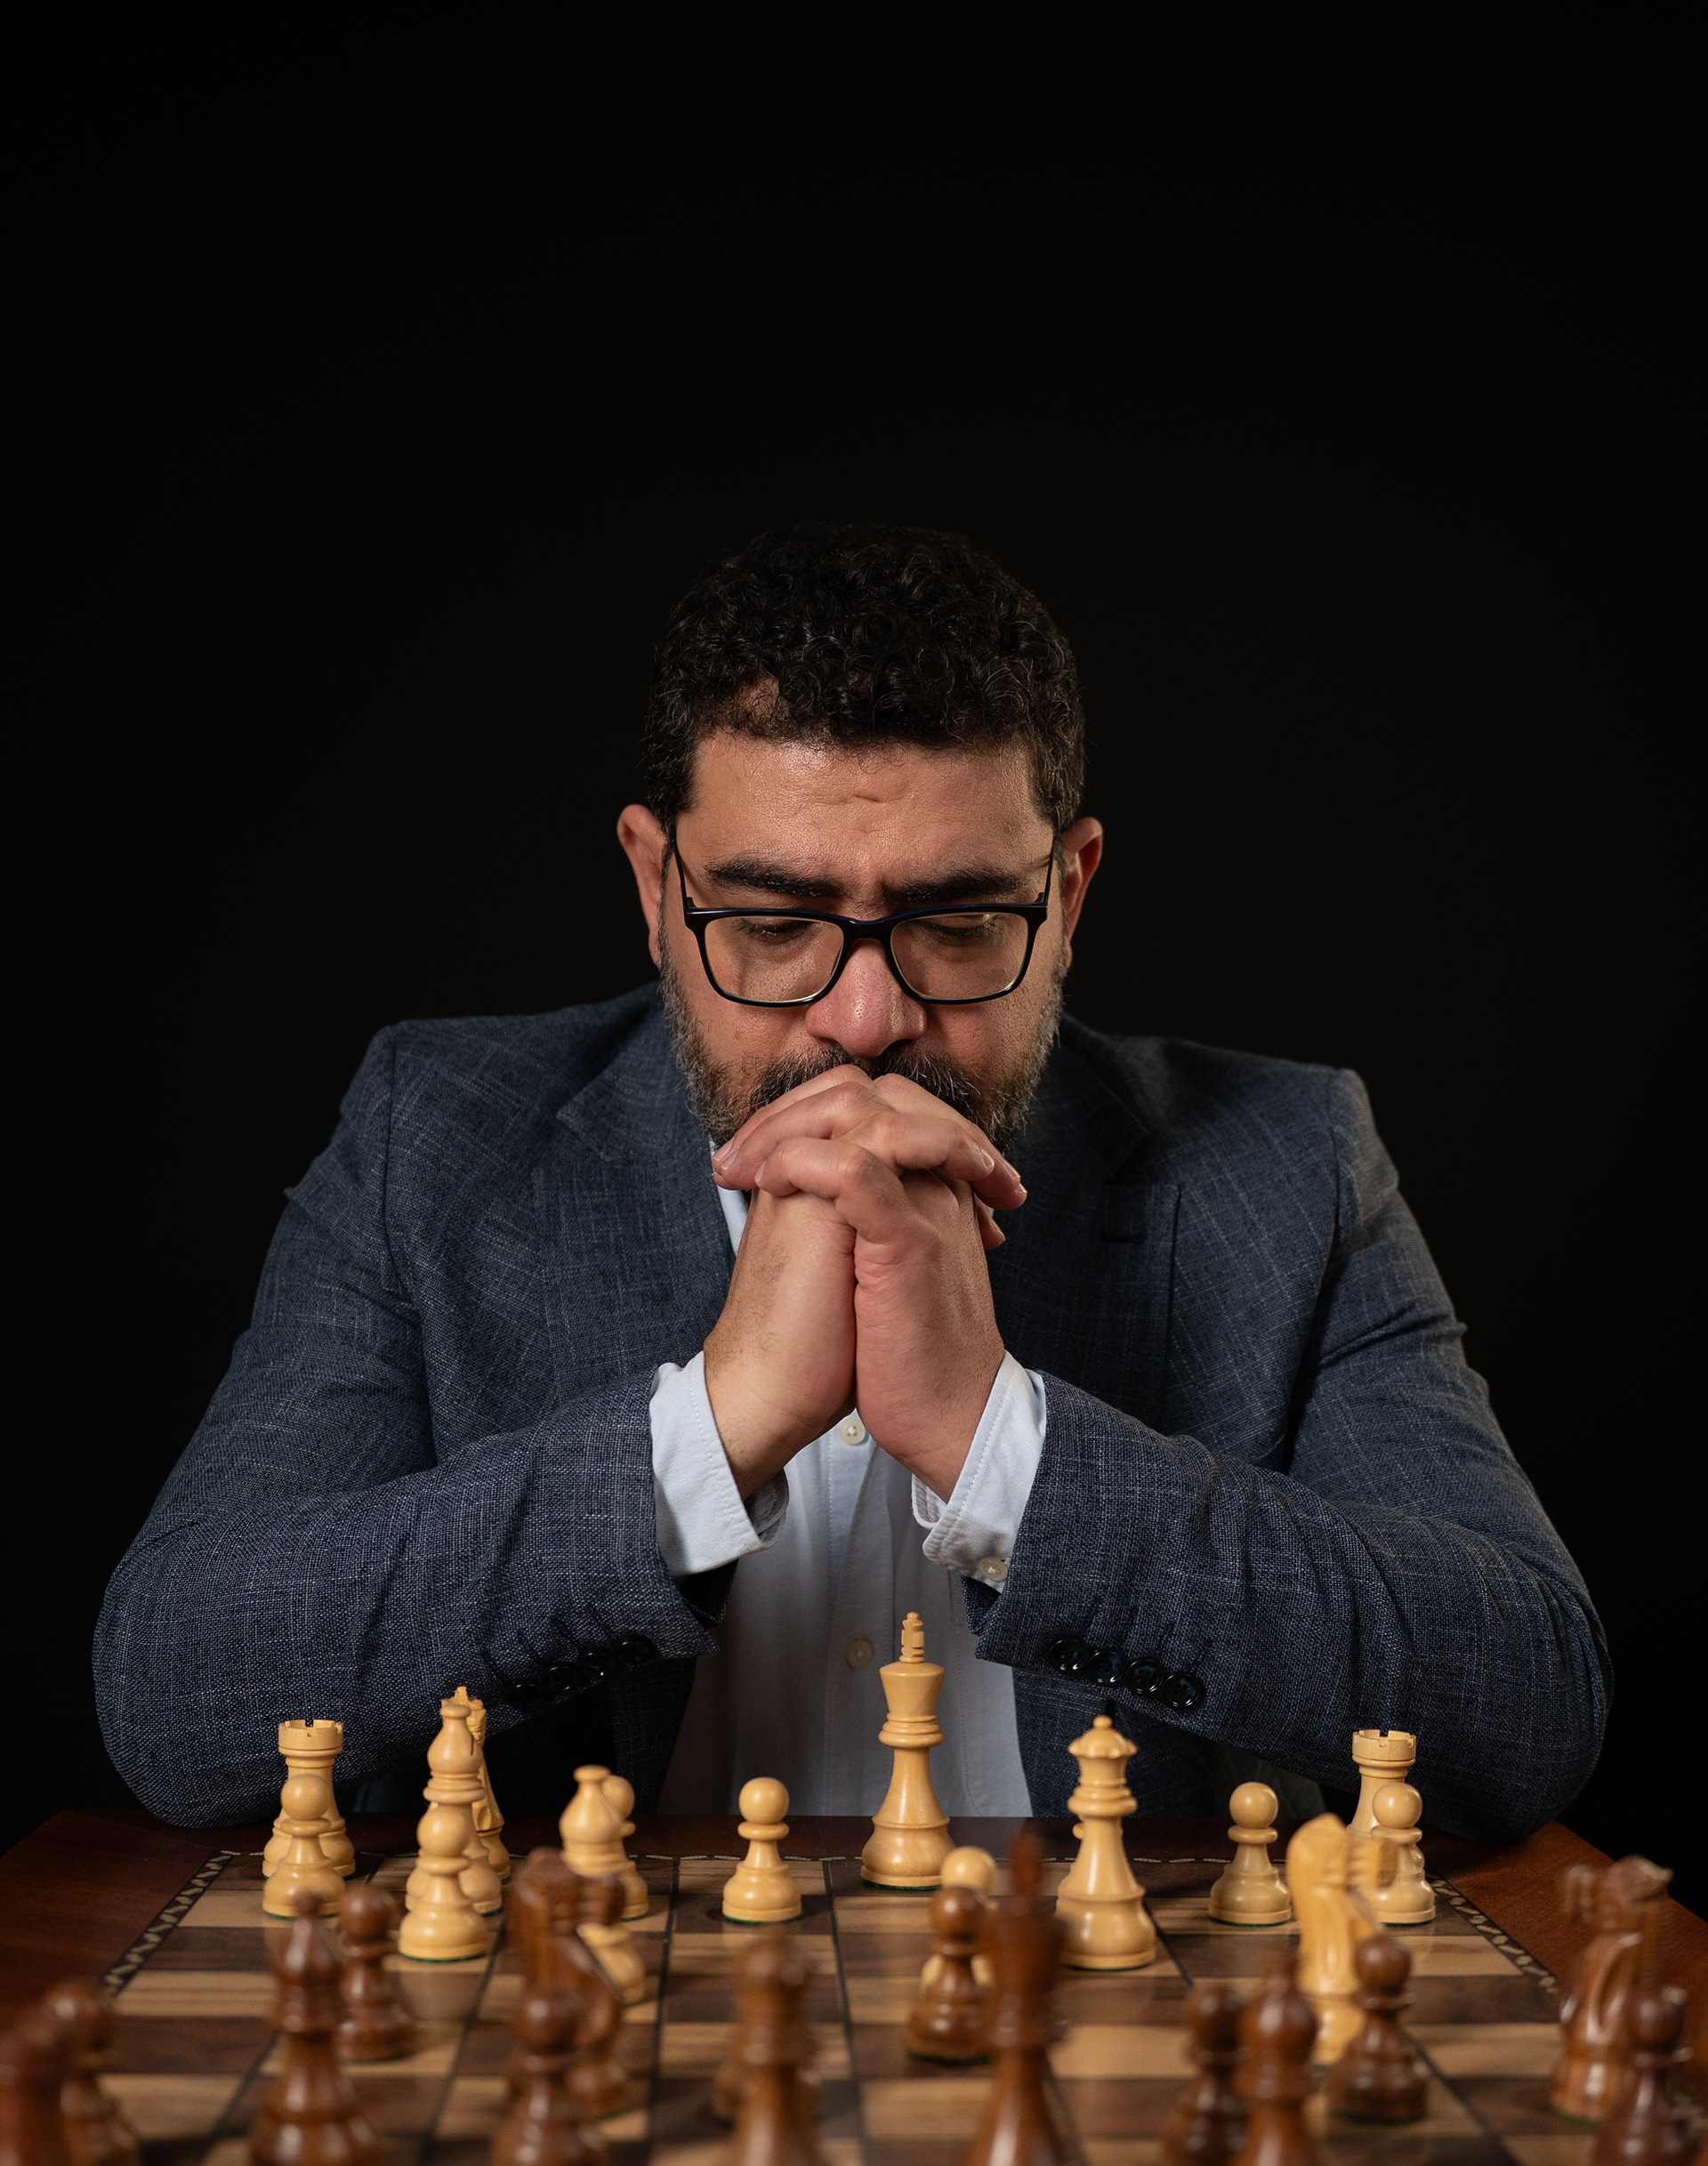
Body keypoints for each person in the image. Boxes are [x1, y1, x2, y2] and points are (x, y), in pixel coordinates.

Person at [94, 523, 1607, 1839]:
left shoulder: (1286, 1164)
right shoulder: (440, 1140)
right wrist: (699, 1438)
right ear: (655, 887)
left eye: (959, 923)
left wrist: (1005, 1448)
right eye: (772, 925)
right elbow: (173, 1692)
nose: (867, 1019)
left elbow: (1528, 1702)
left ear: (1070, 892)